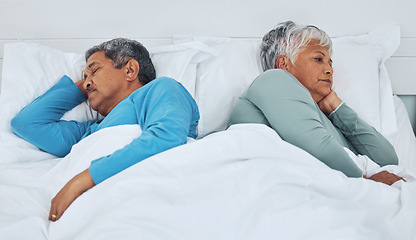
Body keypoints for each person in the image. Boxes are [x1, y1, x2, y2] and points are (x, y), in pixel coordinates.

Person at [11, 38, 200, 222]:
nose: (87, 82)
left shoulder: (161, 88)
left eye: (94, 70)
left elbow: (166, 138)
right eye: (85, 77)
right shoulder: (89, 132)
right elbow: (27, 123)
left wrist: (80, 182)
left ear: (130, 69)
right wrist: (83, 88)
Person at [228, 21, 403, 185]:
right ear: (283, 64)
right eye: (318, 59)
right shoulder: (272, 79)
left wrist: (337, 108)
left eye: (330, 63)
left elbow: (387, 160)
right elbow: (316, 146)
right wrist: (366, 182)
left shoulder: (325, 119)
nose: (329, 70)